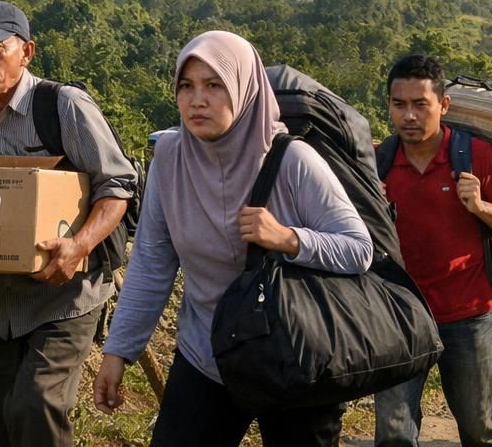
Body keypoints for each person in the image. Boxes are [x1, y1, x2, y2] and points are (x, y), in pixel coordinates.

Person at [95, 31, 372, 447]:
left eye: (214, 85)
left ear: (245, 89)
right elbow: (152, 263)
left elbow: (358, 248)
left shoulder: (292, 159)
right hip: (206, 354)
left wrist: (288, 238)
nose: (197, 100)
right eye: (186, 86)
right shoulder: (170, 159)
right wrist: (118, 353)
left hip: (292, 356)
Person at [0, 0, 136, 447]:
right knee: (2, 423)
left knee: (36, 403)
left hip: (64, 295)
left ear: (27, 52)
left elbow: (117, 185)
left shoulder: (60, 106)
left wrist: (80, 245)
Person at [373, 55, 492, 447]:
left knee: (482, 429)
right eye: (399, 105)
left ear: (443, 105)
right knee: (393, 433)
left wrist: (480, 207)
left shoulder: (473, 155)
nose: (408, 115)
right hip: (399, 316)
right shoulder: (379, 162)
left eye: (419, 104)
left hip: (467, 314)